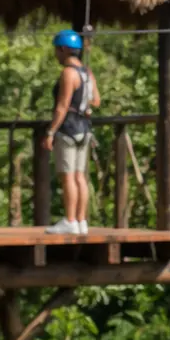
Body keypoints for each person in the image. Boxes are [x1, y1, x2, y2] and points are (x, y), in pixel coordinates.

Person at [42, 29, 100, 235]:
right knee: (80, 176)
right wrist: (85, 106)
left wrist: (50, 132)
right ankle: (81, 220)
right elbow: (96, 101)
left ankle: (70, 219)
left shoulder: (69, 73)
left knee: (68, 177)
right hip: (84, 130)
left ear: (64, 49)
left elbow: (62, 106)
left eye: (57, 50)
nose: (56, 54)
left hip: (68, 130)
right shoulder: (87, 72)